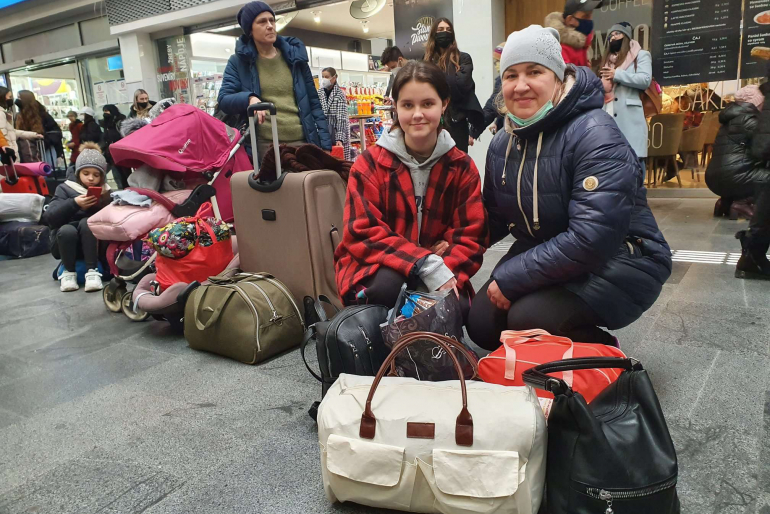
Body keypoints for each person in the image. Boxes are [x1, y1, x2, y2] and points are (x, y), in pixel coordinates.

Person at [466, 25, 671, 350]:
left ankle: (601, 350)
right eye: (510, 75)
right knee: (480, 324)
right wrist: (447, 256)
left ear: (559, 77)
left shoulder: (594, 133)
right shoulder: (502, 142)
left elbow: (593, 237)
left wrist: (512, 276)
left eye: (535, 71)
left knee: (527, 317)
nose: (521, 86)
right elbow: (491, 217)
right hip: (547, 249)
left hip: (622, 256)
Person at [334, 60, 487, 313]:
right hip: (376, 268)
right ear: (395, 107)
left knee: (456, 307)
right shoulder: (369, 164)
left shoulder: (462, 167)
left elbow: (471, 235)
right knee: (388, 288)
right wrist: (424, 261)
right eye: (407, 105)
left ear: (444, 104)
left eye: (427, 103)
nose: (418, 114)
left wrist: (439, 269)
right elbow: (362, 232)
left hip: (440, 266)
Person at [218, 1, 331, 162]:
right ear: (250, 29)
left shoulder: (295, 58)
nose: (270, 25)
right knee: (275, 187)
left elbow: (314, 103)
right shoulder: (238, 62)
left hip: (303, 143)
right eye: (262, 22)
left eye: (272, 20)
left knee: (309, 186)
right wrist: (250, 98)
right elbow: (224, 99)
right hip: (266, 147)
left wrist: (326, 145)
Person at [715, 83, 770, 279]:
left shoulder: (734, 116)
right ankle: (753, 253)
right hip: (732, 176)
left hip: (724, 175)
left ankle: (752, 253)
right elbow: (762, 147)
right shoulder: (749, 119)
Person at [42, 143, 111, 292]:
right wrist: (74, 204)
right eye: (86, 173)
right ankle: (68, 272)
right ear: (78, 172)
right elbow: (50, 218)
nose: (91, 178)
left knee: (88, 223)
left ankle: (92, 272)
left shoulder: (107, 192)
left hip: (94, 243)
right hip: (65, 241)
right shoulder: (64, 188)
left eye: (96, 174)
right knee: (67, 230)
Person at [424, 18, 484, 153]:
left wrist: (436, 78)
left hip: (457, 122)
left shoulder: (463, 58)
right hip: (432, 123)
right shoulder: (427, 61)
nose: (444, 32)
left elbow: (461, 86)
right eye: (440, 30)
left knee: (457, 167)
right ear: (434, 34)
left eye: (448, 30)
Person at [598, 22, 652, 172]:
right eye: (611, 35)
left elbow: (645, 80)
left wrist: (617, 74)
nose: (613, 37)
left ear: (626, 37)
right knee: (611, 166)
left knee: (634, 163)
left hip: (630, 118)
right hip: (607, 113)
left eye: (617, 34)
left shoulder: (641, 55)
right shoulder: (607, 60)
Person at [545, 0, 602, 67]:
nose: (589, 20)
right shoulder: (558, 49)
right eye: (585, 16)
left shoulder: (584, 43)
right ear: (570, 20)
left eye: (590, 15)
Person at [15, 90, 62, 164]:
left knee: (45, 170)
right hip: (27, 150)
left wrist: (45, 141)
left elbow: (56, 132)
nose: (17, 100)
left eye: (19, 97)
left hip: (44, 149)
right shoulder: (18, 116)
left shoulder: (42, 115)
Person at [318, 67, 351, 160]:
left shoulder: (340, 94)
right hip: (324, 133)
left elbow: (341, 118)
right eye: (322, 77)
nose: (324, 79)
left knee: (339, 160)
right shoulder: (319, 92)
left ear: (334, 77)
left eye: (327, 77)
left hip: (337, 131)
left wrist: (339, 138)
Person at [0, 86, 41, 162]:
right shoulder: (1, 114)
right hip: (7, 152)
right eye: (9, 97)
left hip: (9, 151)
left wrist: (33, 135)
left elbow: (11, 131)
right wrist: (5, 146)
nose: (12, 99)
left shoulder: (4, 113)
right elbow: (2, 133)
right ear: (2, 97)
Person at [101, 104, 130, 188]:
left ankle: (128, 189)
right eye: (104, 111)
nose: (105, 113)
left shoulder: (120, 121)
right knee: (118, 174)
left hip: (121, 151)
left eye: (107, 111)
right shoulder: (106, 123)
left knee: (125, 173)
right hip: (111, 153)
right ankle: (122, 189)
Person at [482, 42, 506, 136]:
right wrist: (497, 122)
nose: (496, 65)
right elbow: (500, 105)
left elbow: (493, 105)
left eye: (498, 61)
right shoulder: (499, 80)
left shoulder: (504, 81)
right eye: (495, 62)